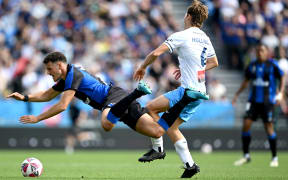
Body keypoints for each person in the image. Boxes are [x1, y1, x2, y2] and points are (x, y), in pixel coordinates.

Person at [6, 51, 200, 153]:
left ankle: (136, 93)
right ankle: (185, 99)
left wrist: (38, 118)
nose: (48, 74)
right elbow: (47, 95)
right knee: (158, 131)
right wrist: (24, 97)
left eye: (50, 70)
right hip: (117, 103)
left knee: (106, 124)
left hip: (113, 96)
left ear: (59, 65)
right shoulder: (65, 79)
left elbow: (62, 105)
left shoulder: (73, 74)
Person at [133, 1, 218, 178]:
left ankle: (158, 149)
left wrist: (142, 67)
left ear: (188, 16)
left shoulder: (182, 35)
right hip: (200, 93)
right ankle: (190, 165)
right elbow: (214, 62)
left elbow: (156, 53)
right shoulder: (205, 37)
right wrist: (196, 70)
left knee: (150, 108)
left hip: (186, 91)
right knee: (172, 128)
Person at [232, 44, 285, 167]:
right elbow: (246, 81)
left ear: (267, 52)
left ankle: (274, 157)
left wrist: (281, 93)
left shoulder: (272, 65)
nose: (259, 53)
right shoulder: (252, 65)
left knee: (269, 127)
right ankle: (246, 156)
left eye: (262, 51)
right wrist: (236, 94)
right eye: (258, 51)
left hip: (267, 102)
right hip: (253, 101)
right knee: (246, 125)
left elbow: (282, 76)